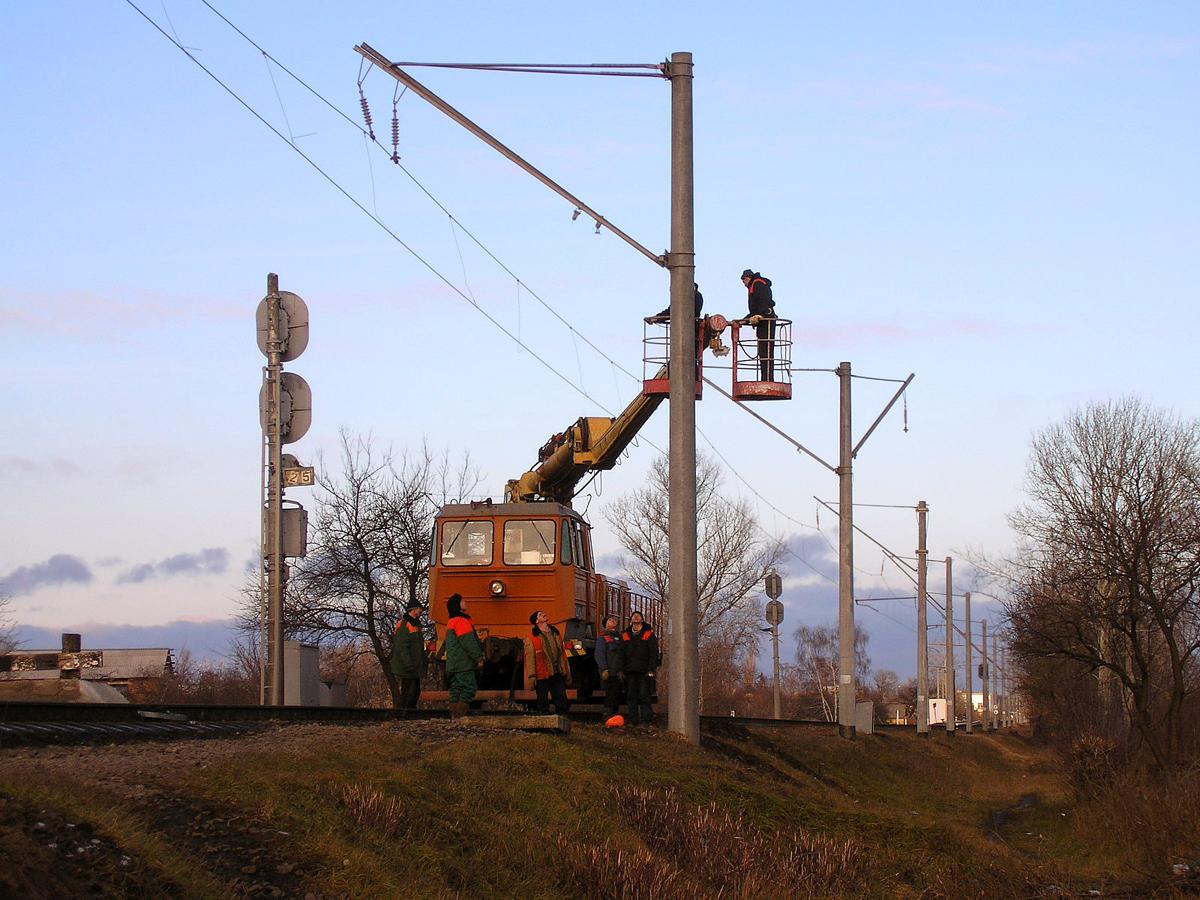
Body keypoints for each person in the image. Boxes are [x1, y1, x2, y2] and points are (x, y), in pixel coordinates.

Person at [523, 610, 572, 715]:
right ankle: (544, 721)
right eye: (540, 615)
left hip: (556, 671)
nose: (544, 614)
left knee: (562, 699)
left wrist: (567, 670)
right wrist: (532, 676)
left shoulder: (555, 633)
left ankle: (562, 720)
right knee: (543, 700)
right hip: (542, 674)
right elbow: (530, 659)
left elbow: (563, 654)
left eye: (543, 613)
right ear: (536, 621)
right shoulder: (531, 638)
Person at [444, 593, 483, 719]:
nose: (465, 602)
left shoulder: (451, 621)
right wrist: (479, 657)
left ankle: (454, 717)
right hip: (463, 663)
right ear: (458, 605)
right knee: (468, 689)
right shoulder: (462, 621)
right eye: (463, 601)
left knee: (455, 690)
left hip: (453, 663)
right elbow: (468, 643)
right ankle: (460, 716)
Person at [621, 610, 660, 727]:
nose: (636, 617)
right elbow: (621, 654)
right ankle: (633, 721)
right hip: (630, 671)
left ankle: (646, 720)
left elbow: (654, 653)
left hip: (644, 671)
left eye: (638, 616)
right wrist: (621, 669)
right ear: (631, 620)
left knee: (644, 696)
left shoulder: (649, 634)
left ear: (642, 620)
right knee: (631, 697)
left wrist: (651, 670)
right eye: (634, 615)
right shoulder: (625, 635)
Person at [389, 600, 427, 711]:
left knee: (414, 692)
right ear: (414, 609)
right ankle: (403, 714)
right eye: (419, 609)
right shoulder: (404, 624)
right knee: (408, 693)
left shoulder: (416, 625)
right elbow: (402, 647)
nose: (421, 611)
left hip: (414, 666)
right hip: (408, 667)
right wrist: (408, 664)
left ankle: (408, 714)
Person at [740, 269, 776, 381]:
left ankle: (767, 379)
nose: (744, 284)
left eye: (744, 281)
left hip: (766, 320)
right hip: (763, 320)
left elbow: (763, 303)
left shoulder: (758, 284)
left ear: (747, 278)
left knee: (766, 350)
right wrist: (745, 320)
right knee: (764, 351)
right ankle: (766, 378)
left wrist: (759, 314)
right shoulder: (756, 284)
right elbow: (756, 309)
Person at [593, 614, 625, 719]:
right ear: (605, 624)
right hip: (609, 671)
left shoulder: (620, 637)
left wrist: (621, 669)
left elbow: (623, 654)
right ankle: (608, 714)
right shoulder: (603, 638)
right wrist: (604, 669)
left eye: (613, 619)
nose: (612, 621)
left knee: (617, 693)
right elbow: (599, 654)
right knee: (610, 693)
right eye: (609, 620)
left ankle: (614, 713)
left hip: (618, 671)